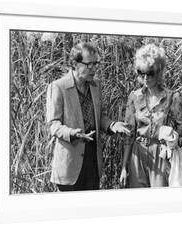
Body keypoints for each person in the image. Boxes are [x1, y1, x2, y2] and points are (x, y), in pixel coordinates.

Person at [46, 42, 131, 191]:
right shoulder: (58, 87)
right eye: (88, 64)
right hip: (69, 164)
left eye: (96, 64)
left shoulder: (95, 85)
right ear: (74, 64)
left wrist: (112, 125)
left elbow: (100, 117)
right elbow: (53, 125)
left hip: (92, 159)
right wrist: (73, 133)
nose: (93, 69)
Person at [120, 44, 182, 188]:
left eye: (150, 73)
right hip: (137, 153)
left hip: (160, 153)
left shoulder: (172, 97)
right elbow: (128, 134)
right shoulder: (134, 97)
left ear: (158, 72)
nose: (145, 78)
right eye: (141, 72)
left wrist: (172, 135)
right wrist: (124, 167)